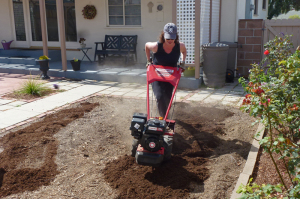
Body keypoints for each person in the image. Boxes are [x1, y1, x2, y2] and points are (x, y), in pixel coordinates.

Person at [145, 23, 187, 118]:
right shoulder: (156, 46)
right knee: (159, 96)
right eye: (168, 38)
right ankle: (163, 118)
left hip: (171, 74)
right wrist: (148, 61)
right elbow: (146, 46)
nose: (170, 40)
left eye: (172, 38)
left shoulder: (180, 46)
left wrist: (183, 62)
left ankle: (164, 116)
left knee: (168, 98)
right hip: (156, 73)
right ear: (163, 35)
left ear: (175, 37)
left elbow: (184, 51)